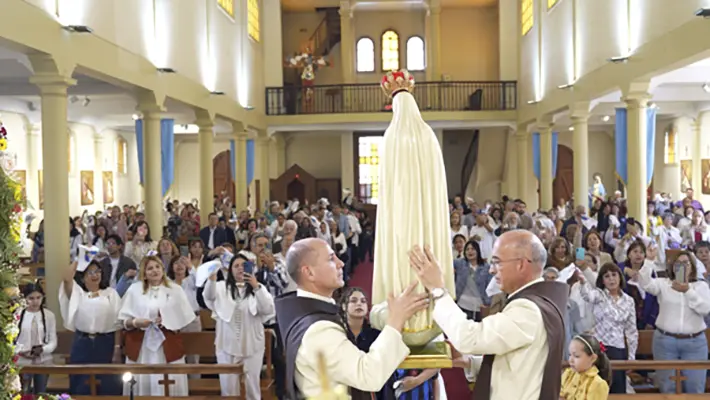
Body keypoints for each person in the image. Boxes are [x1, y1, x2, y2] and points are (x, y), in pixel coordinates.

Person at [409, 230, 568, 400]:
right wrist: (470, 362)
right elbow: (520, 364)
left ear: (521, 264)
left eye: (497, 262)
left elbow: (468, 338)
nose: (492, 270)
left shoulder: (528, 310)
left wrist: (438, 290)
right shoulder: (540, 302)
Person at [275, 238, 429, 399]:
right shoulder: (318, 330)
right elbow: (368, 375)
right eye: (331, 259)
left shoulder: (306, 313)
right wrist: (396, 320)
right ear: (309, 272)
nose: (341, 263)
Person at [370, 70, 455, 347]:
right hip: (427, 209)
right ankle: (430, 313)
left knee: (402, 250)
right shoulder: (428, 135)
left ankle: (403, 317)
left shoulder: (392, 135)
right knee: (427, 244)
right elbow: (436, 182)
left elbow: (389, 184)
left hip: (400, 212)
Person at [561, 334, 611, 400]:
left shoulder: (597, 384)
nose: (570, 360)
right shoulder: (568, 375)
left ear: (593, 358)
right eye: (570, 355)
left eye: (576, 356)